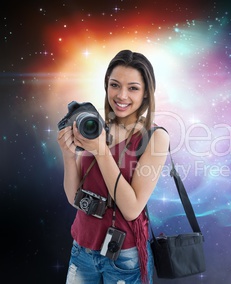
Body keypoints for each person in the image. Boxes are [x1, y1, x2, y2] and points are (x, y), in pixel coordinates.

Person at [57, 50, 169, 284]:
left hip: (124, 256)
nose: (122, 95)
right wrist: (68, 156)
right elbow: (73, 197)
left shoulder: (155, 137)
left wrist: (100, 151)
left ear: (147, 92)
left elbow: (131, 209)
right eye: (115, 85)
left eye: (133, 88)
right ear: (106, 85)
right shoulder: (93, 126)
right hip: (82, 248)